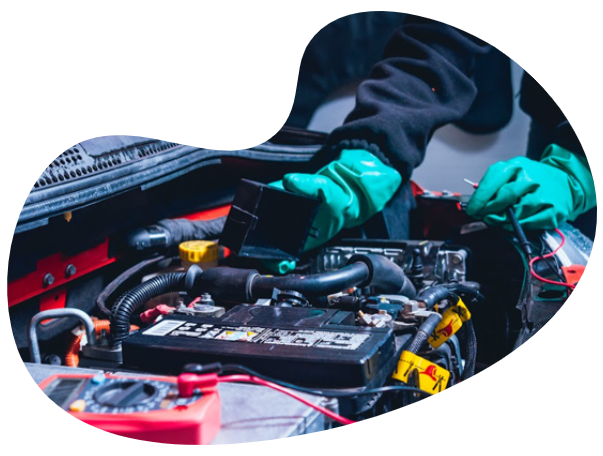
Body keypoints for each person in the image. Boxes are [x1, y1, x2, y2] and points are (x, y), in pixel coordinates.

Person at [274, 13, 596, 257]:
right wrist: (376, 145)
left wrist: (580, 169)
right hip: (556, 123)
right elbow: (439, 36)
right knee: (535, 264)